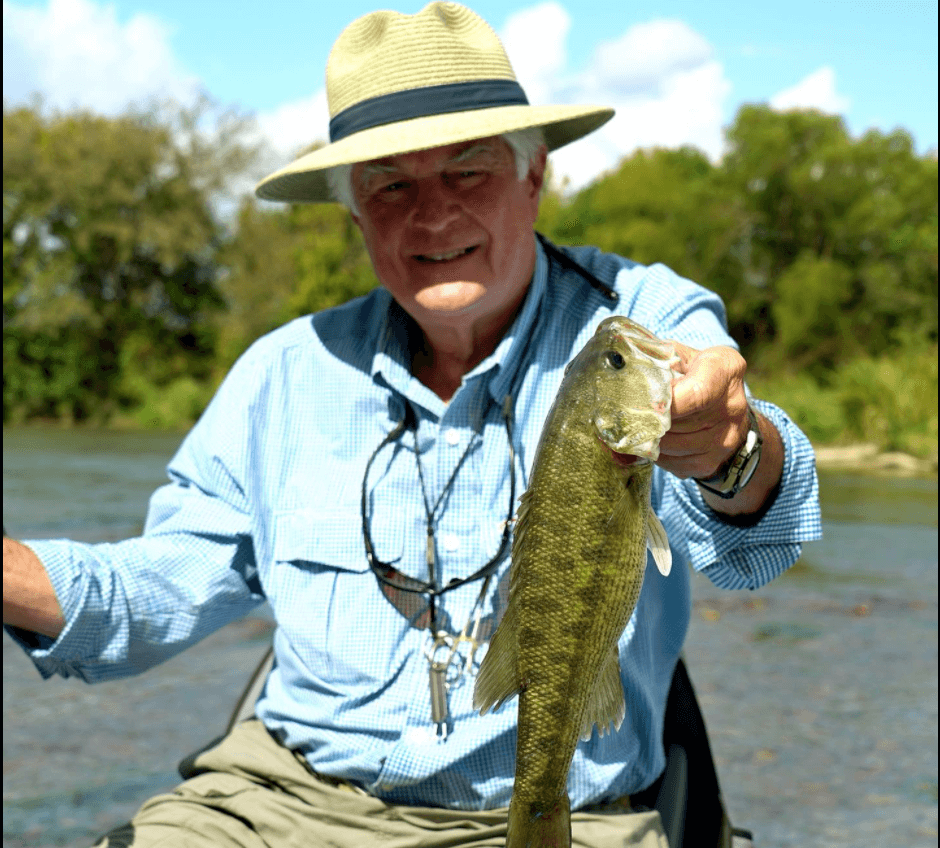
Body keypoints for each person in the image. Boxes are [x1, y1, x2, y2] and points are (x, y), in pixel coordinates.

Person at [2, 3, 822, 847]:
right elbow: (148, 594)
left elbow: (758, 534)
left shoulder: (637, 324)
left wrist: (730, 447)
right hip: (278, 801)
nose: (433, 215)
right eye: (391, 184)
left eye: (469, 173)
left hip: (560, 807)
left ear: (534, 177)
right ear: (355, 212)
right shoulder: (281, 375)